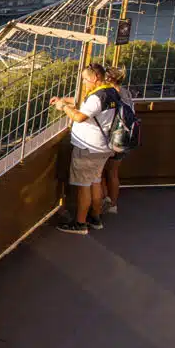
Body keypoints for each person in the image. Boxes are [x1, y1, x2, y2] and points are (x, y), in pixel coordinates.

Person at [50, 64, 118, 234]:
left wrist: (63, 107)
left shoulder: (97, 97)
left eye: (85, 80)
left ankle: (80, 223)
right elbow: (87, 105)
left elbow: (80, 116)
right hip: (103, 147)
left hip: (88, 147)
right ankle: (95, 217)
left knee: (83, 186)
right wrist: (65, 100)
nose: (84, 83)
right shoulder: (111, 91)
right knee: (95, 182)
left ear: (95, 77)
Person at [101, 65, 132, 215]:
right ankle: (113, 204)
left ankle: (102, 202)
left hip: (110, 137)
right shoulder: (126, 93)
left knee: (99, 173)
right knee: (113, 172)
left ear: (109, 79)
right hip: (123, 138)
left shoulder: (110, 94)